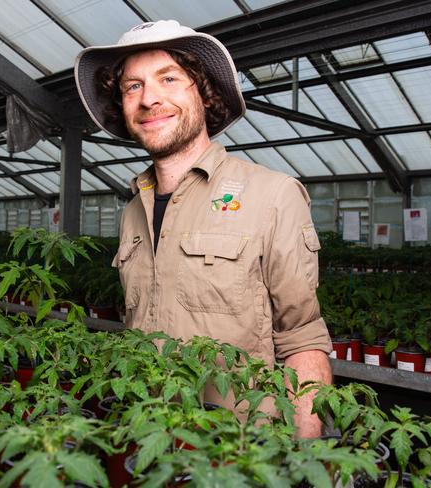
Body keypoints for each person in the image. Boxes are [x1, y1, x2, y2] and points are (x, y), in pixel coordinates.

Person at [75, 20, 332, 438]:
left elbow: (302, 339)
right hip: (150, 442)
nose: (149, 99)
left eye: (169, 78)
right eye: (132, 86)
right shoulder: (132, 212)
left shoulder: (272, 195)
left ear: (204, 92)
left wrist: (303, 463)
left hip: (242, 453)